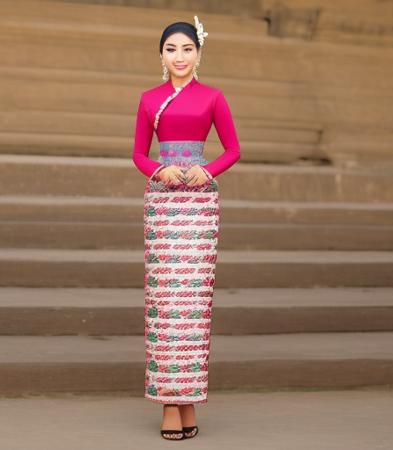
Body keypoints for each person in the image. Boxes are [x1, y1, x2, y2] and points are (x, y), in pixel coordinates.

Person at [132, 15, 241, 441]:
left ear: (199, 53)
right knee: (165, 303)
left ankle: (189, 399)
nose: (180, 56)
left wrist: (205, 170)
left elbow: (232, 149)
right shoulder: (148, 99)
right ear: (161, 54)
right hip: (163, 204)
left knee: (193, 303)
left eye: (187, 49)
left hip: (199, 205)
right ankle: (170, 405)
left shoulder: (213, 97)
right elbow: (139, 154)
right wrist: (160, 171)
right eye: (172, 49)